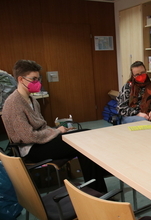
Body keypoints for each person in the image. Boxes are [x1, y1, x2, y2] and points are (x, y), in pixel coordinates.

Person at [2, 60, 108, 193]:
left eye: (38, 78)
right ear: (21, 79)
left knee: (85, 136)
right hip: (32, 149)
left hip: (42, 142)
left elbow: (42, 127)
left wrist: (58, 131)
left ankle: (97, 191)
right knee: (84, 141)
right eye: (34, 79)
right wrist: (56, 132)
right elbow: (28, 136)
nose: (38, 82)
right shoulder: (14, 103)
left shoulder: (32, 100)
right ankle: (98, 190)